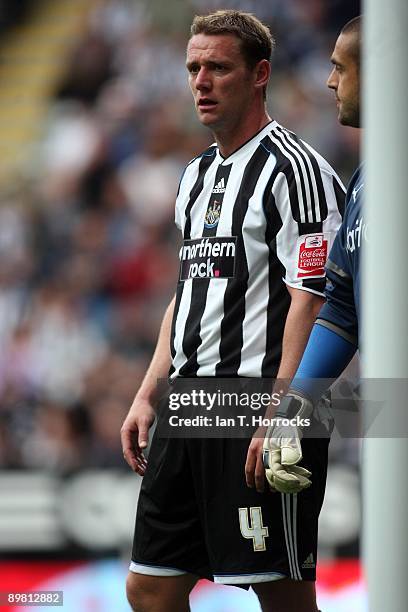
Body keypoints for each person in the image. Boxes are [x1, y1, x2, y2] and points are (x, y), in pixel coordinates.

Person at [121, 10, 344, 612]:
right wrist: (148, 391)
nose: (201, 81)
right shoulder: (194, 175)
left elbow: (314, 294)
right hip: (188, 404)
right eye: (194, 67)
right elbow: (188, 288)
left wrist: (284, 408)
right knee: (149, 586)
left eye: (218, 67)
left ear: (260, 74)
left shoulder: (296, 169)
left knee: (282, 596)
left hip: (255, 403)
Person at [263, 17, 362, 496]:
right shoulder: (365, 183)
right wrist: (292, 412)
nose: (329, 81)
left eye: (340, 68)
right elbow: (341, 309)